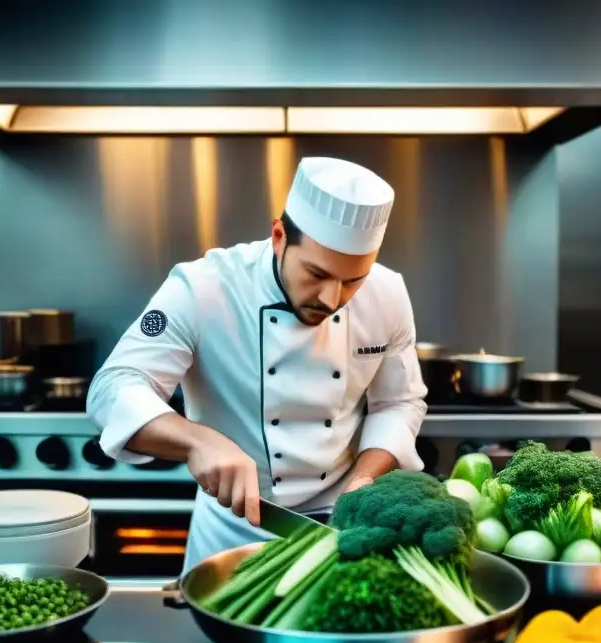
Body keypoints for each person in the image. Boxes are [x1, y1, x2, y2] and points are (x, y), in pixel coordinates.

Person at [86, 156, 428, 571]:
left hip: (342, 532)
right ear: (279, 235)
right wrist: (196, 440)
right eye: (316, 274)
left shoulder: (388, 294)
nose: (331, 298)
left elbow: (399, 402)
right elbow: (113, 386)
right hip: (233, 532)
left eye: (352, 280)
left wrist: (365, 480)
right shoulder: (204, 288)